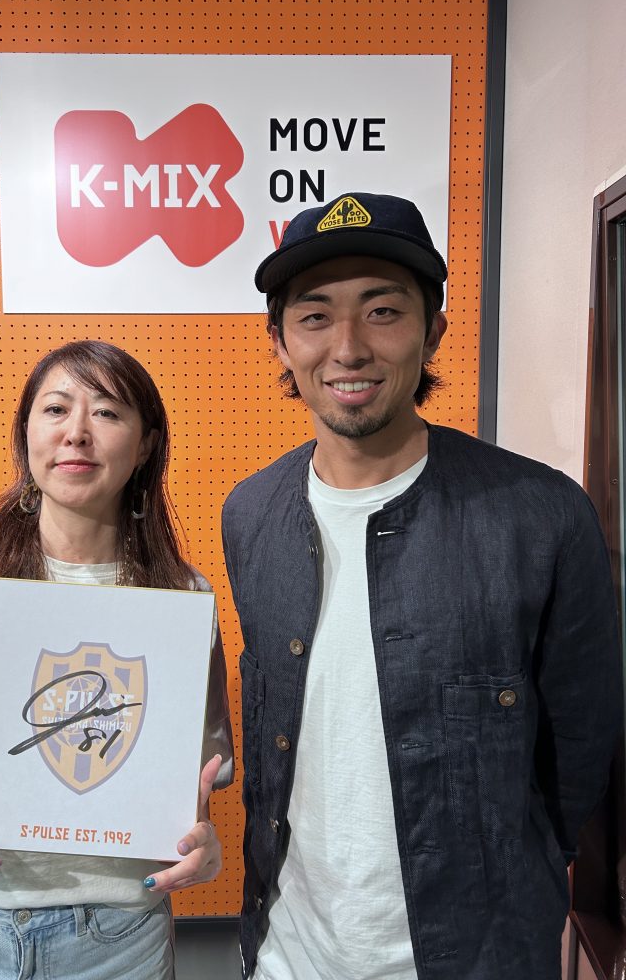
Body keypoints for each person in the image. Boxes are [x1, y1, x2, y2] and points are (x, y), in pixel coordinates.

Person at [221, 192, 622, 980]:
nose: (347, 348)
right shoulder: (252, 513)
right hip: (288, 953)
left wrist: (520, 876)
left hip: (477, 958)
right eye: (314, 317)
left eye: (383, 311)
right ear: (279, 341)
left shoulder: (540, 516)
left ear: (433, 330)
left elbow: (580, 752)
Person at [0, 340, 233, 980]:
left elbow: (191, 769)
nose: (76, 433)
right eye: (56, 409)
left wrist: (199, 839)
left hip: (120, 936)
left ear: (146, 444)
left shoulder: (182, 596)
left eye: (107, 412)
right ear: (26, 432)